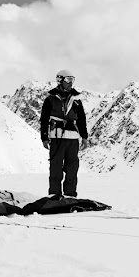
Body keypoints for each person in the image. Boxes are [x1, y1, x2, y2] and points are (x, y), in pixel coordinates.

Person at [40, 69, 89, 198]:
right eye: (68, 79)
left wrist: (84, 137)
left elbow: (81, 119)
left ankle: (70, 196)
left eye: (72, 80)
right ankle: (54, 197)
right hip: (57, 138)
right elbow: (44, 119)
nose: (71, 83)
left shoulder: (76, 100)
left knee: (72, 169)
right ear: (60, 80)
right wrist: (44, 137)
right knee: (55, 169)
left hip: (73, 139)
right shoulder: (50, 99)